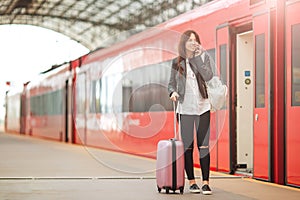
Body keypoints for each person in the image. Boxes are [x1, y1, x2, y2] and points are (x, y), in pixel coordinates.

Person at [168, 30, 213, 195]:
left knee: (204, 146)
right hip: (184, 109)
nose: (193, 43)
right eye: (190, 40)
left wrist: (200, 59)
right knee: (188, 147)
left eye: (196, 40)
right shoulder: (176, 62)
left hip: (203, 107)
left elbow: (208, 76)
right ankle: (192, 182)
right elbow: (171, 83)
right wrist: (172, 93)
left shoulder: (203, 58)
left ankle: (206, 183)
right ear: (184, 43)